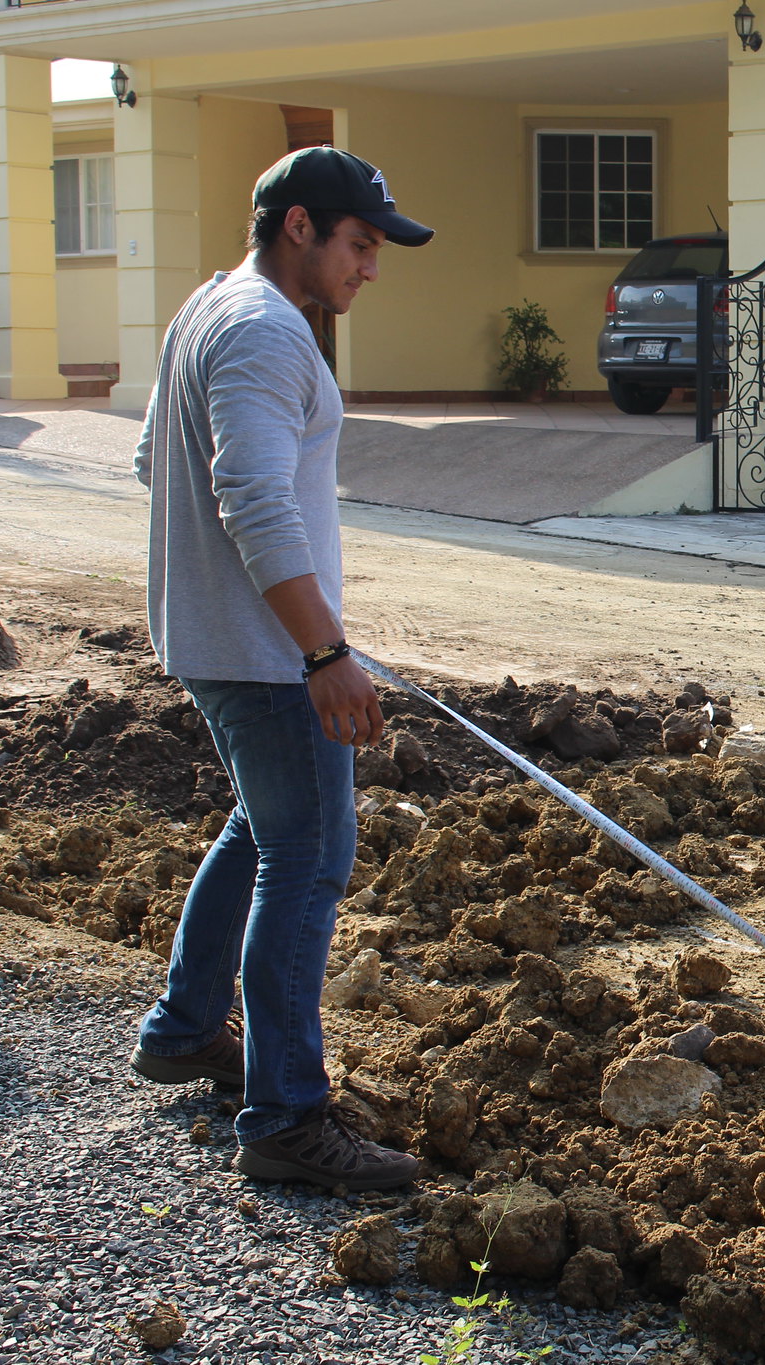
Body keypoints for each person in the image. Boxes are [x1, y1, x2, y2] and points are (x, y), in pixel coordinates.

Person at [129, 147, 434, 1192]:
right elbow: (251, 496)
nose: (371, 270)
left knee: (265, 831)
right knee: (304, 862)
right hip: (267, 659)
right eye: (359, 245)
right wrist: (323, 651)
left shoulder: (209, 310)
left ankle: (181, 1027)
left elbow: (152, 464)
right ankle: (288, 1120)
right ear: (298, 226)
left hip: (221, 640)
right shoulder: (263, 331)